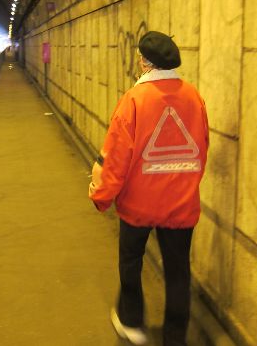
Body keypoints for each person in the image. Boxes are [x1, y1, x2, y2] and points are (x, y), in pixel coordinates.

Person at [89, 31, 209, 345]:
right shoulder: (193, 96)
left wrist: (101, 195)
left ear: (144, 62)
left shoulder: (134, 100)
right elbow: (201, 148)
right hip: (180, 205)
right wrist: (185, 182)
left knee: (131, 262)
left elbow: (116, 157)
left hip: (138, 204)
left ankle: (132, 324)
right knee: (178, 272)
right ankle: (174, 337)